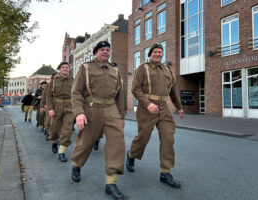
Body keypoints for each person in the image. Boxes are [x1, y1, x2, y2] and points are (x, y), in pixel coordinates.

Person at [70, 41, 126, 200]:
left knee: (117, 143)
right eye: (102, 49)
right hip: (91, 109)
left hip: (111, 109)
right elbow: (76, 93)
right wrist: (79, 113)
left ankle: (111, 182)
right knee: (85, 142)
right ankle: (76, 165)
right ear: (96, 52)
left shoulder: (114, 70)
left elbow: (120, 95)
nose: (106, 52)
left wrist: (121, 116)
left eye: (108, 49)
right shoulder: (86, 68)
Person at [126, 43, 184, 189]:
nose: (158, 54)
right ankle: (131, 155)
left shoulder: (167, 70)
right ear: (150, 54)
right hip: (147, 108)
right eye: (155, 52)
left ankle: (165, 172)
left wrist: (179, 107)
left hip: (164, 108)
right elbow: (135, 89)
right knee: (143, 138)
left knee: (168, 138)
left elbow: (173, 91)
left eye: (160, 52)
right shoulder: (142, 68)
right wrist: (147, 104)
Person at [46, 62, 74, 162]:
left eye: (67, 67)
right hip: (56, 107)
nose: (65, 69)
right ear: (59, 69)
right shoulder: (53, 81)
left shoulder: (74, 81)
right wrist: (50, 108)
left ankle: (62, 152)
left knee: (67, 131)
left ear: (69, 69)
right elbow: (48, 96)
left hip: (70, 108)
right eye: (63, 67)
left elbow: (78, 95)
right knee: (53, 130)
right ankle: (54, 141)